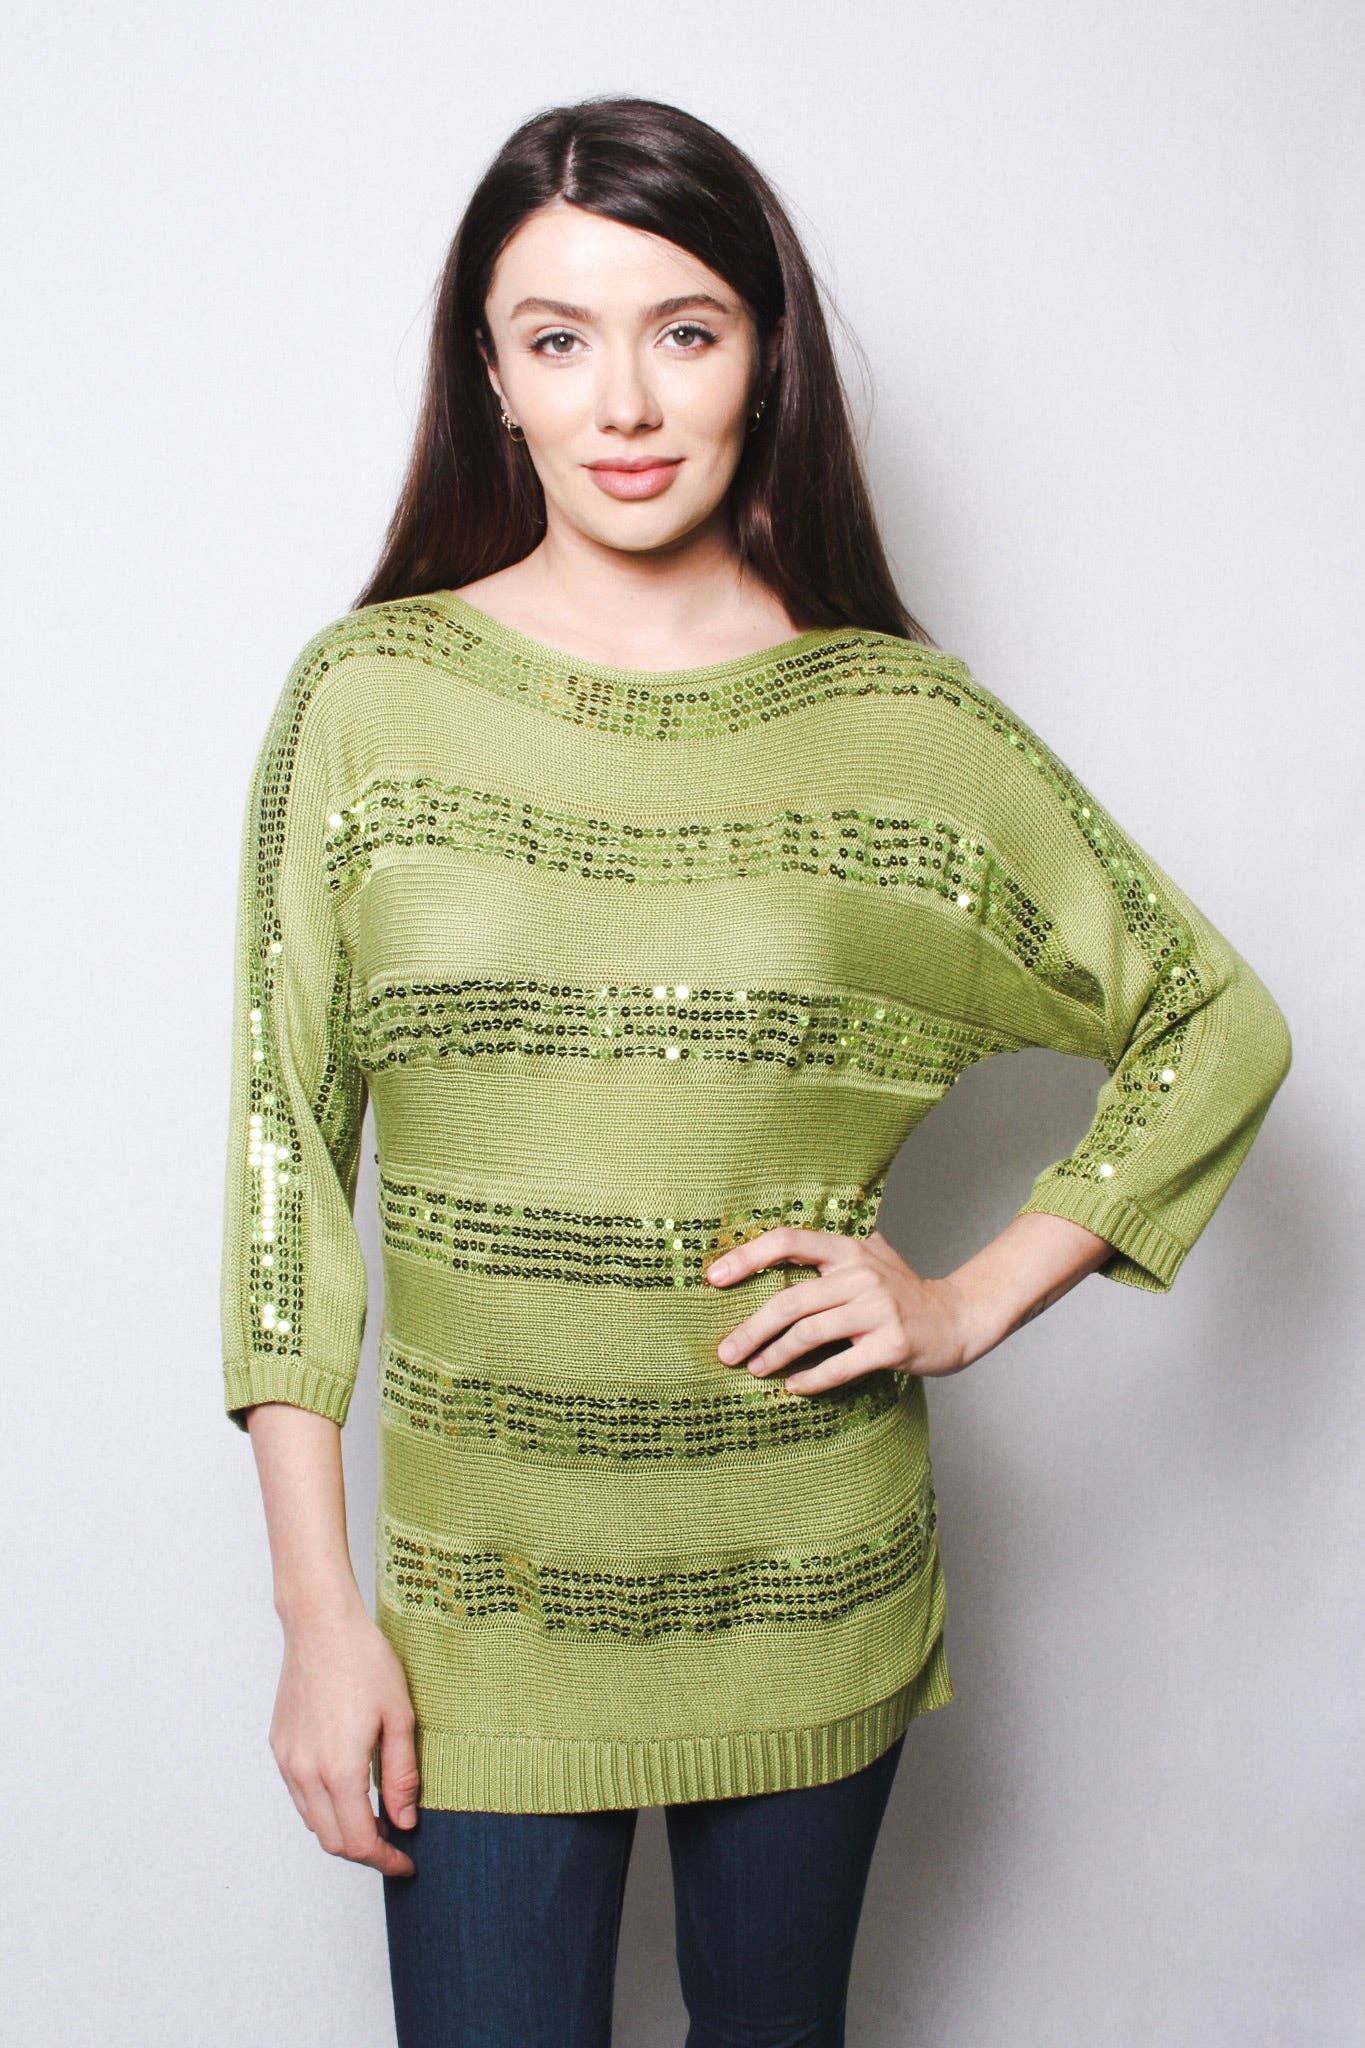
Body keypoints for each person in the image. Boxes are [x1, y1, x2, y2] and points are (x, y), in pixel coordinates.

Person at [218, 94, 1294, 2048]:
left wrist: (966, 1298)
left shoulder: (902, 725)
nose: (624, 401)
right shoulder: (369, 697)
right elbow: (284, 1164)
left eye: (685, 330)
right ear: (491, 376)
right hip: (476, 1614)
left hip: (807, 1578)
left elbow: (1212, 1022)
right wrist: (317, 1618)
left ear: (764, 355)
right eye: (559, 338)